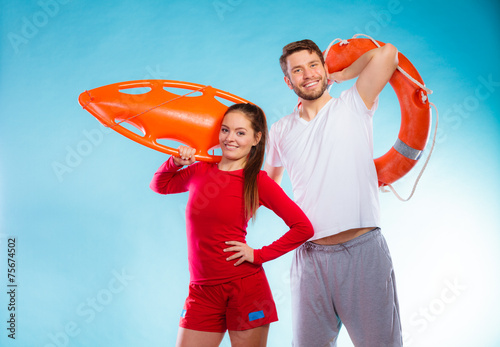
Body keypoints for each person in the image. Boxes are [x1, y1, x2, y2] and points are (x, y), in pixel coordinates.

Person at [264, 39, 403, 346]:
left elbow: (388, 54)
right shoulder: (280, 130)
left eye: (314, 65)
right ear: (288, 82)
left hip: (363, 251)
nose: (308, 74)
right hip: (309, 258)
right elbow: (267, 188)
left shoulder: (354, 104)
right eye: (297, 70)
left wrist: (342, 74)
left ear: (325, 68)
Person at [150, 103, 314, 347]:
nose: (230, 138)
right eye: (225, 130)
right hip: (202, 291)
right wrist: (175, 162)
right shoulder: (200, 170)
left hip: (246, 290)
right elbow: (160, 186)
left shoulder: (258, 181)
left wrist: (258, 255)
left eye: (240, 132)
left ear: (256, 138)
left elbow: (303, 228)